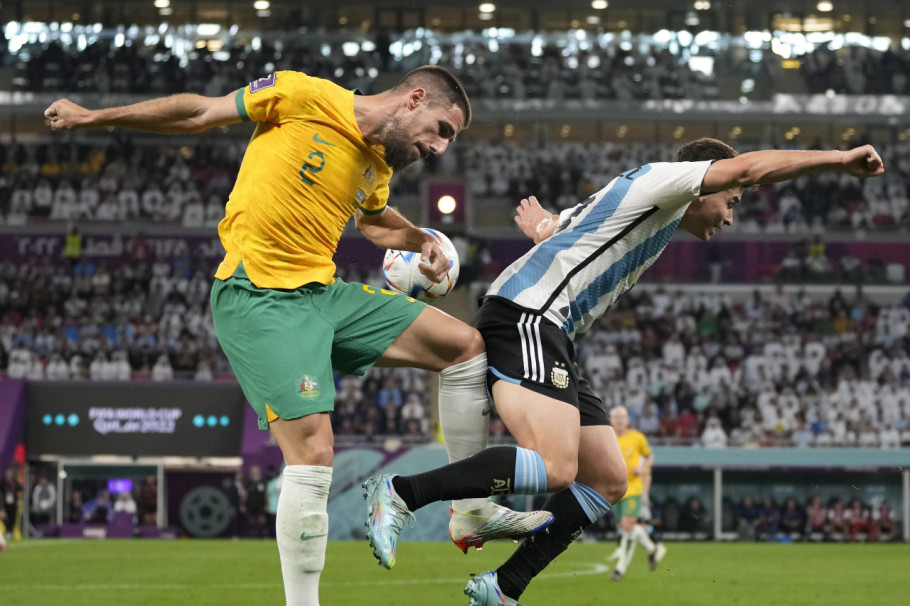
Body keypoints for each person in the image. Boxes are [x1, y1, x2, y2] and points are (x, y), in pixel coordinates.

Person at [46, 65, 548, 605]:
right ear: (415, 98)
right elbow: (200, 112)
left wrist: (419, 237)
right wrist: (94, 116)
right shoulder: (302, 94)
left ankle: (470, 511)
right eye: (442, 130)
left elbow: (373, 220)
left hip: (322, 294)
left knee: (465, 347)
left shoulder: (377, 162)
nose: (439, 148)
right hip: (259, 295)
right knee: (313, 451)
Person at [362, 138, 885, 605]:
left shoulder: (647, 202)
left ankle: (504, 586)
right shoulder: (665, 181)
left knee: (608, 479)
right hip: (530, 317)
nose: (730, 217)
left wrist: (545, 228)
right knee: (556, 466)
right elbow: (749, 168)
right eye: (730, 201)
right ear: (705, 182)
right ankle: (402, 493)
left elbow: (568, 229)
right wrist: (839, 160)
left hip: (555, 332)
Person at [606, 405, 666, 581]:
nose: (619, 420)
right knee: (625, 529)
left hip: (633, 488)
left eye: (622, 417)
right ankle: (652, 548)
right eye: (616, 417)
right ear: (610, 420)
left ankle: (620, 569)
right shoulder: (607, 438)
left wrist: (643, 468)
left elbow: (650, 457)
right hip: (615, 490)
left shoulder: (637, 438)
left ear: (628, 420)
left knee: (627, 526)